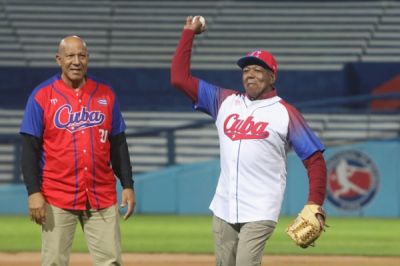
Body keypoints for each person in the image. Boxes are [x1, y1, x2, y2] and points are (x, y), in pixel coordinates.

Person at [171, 17, 327, 266]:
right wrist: (189, 33)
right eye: (246, 70)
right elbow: (179, 79)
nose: (250, 74)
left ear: (272, 77)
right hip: (224, 207)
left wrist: (314, 203)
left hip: (260, 209)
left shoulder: (285, 112)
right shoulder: (224, 101)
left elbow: (314, 159)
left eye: (258, 69)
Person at [20, 35, 135, 266]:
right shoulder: (42, 96)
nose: (76, 61)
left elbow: (118, 144)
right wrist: (34, 192)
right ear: (59, 59)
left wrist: (128, 184)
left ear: (88, 59)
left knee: (111, 262)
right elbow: (29, 149)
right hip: (57, 195)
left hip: (101, 193)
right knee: (53, 262)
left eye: (81, 55)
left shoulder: (106, 94)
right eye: (70, 56)